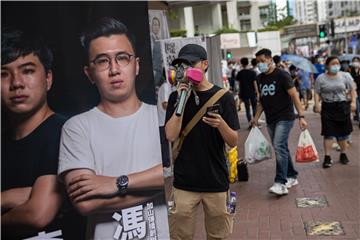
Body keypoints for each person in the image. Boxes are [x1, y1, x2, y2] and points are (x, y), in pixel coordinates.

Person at [58, 17, 169, 239]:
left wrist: (117, 183)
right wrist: (161, 182)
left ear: (136, 65)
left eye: (122, 58)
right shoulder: (76, 128)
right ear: (89, 73)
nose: (114, 69)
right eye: (102, 61)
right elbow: (85, 204)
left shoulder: (162, 116)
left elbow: (184, 170)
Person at [1, 28, 85, 239]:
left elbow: (39, 213)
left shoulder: (65, 131)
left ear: (48, 78)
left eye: (27, 71)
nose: (16, 83)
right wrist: (12, 197)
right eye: (3, 74)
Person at [165, 44, 240, 240]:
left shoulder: (224, 97)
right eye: (181, 65)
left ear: (205, 64)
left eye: (191, 64)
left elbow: (233, 141)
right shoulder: (175, 97)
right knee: (180, 236)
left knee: (218, 235)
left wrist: (221, 124)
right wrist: (181, 100)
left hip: (215, 181)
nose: (185, 70)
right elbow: (171, 135)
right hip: (184, 183)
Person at [252, 48, 307, 196]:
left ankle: (280, 182)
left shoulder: (282, 75)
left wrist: (301, 116)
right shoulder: (259, 78)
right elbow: (261, 101)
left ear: (270, 60)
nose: (260, 64)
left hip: (285, 116)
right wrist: (256, 118)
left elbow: (294, 96)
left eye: (263, 61)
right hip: (271, 118)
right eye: (258, 62)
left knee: (278, 146)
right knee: (281, 147)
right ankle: (292, 175)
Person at [314, 56, 356, 168]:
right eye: (333, 64)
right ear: (327, 66)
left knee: (342, 134)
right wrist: (317, 104)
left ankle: (343, 154)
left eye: (337, 63)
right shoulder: (321, 78)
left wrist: (353, 103)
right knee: (328, 134)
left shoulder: (345, 76)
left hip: (342, 106)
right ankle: (327, 157)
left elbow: (352, 89)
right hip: (328, 107)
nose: (335, 66)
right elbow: (317, 92)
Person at [157, 72, 173, 177]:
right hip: (163, 120)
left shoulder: (169, 86)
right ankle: (166, 168)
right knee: (165, 145)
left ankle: (168, 166)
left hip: (165, 120)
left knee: (167, 144)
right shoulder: (166, 87)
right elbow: (165, 104)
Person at [236, 57, 258, 126]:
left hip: (244, 93)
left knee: (247, 108)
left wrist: (239, 93)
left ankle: (250, 123)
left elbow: (239, 85)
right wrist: (257, 92)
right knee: (254, 107)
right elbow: (255, 83)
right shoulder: (252, 72)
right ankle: (255, 121)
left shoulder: (240, 73)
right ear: (248, 63)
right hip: (252, 92)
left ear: (242, 64)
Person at [349, 56, 360, 126]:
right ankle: (358, 117)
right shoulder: (350, 70)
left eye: (357, 61)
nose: (356, 63)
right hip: (354, 91)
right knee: (357, 105)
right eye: (354, 61)